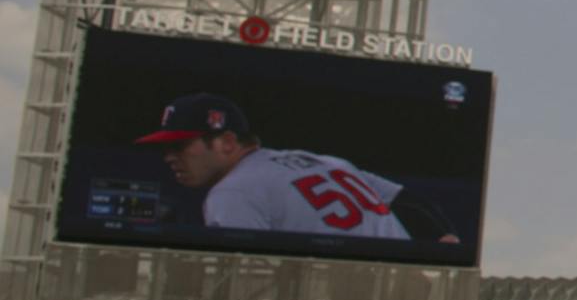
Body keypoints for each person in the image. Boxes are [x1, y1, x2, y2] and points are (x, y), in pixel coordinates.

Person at [136, 92, 459, 243]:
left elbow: (241, 280)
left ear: (227, 143)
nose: (169, 156)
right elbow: (414, 202)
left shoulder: (232, 191)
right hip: (395, 287)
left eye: (179, 145)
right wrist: (445, 240)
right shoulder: (319, 160)